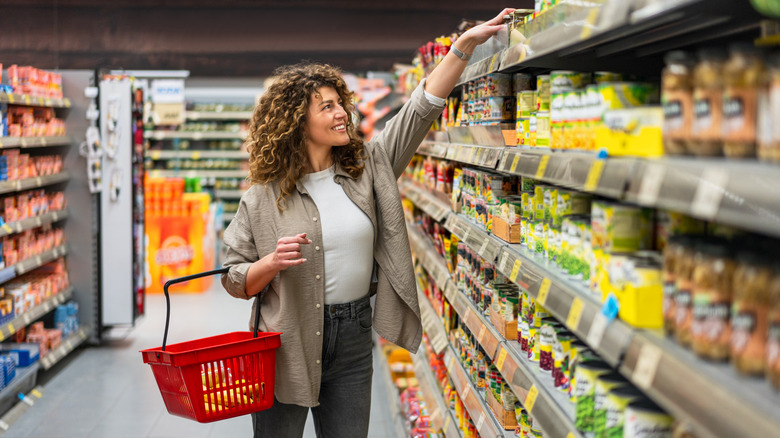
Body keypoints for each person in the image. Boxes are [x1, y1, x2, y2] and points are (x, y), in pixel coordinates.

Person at [221, 8, 513, 438]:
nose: (342, 113)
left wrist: (462, 48)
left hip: (354, 333)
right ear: (296, 122)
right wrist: (269, 264)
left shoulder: (370, 166)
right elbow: (233, 277)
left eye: (341, 103)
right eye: (328, 106)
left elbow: (420, 109)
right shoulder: (262, 196)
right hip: (287, 339)